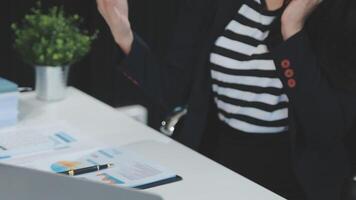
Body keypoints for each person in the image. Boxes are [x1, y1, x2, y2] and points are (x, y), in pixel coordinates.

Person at [97, 0, 356, 199]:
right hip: (218, 165)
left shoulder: (337, 13)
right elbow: (175, 91)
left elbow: (326, 129)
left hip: (295, 181)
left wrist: (291, 27)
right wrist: (123, 34)